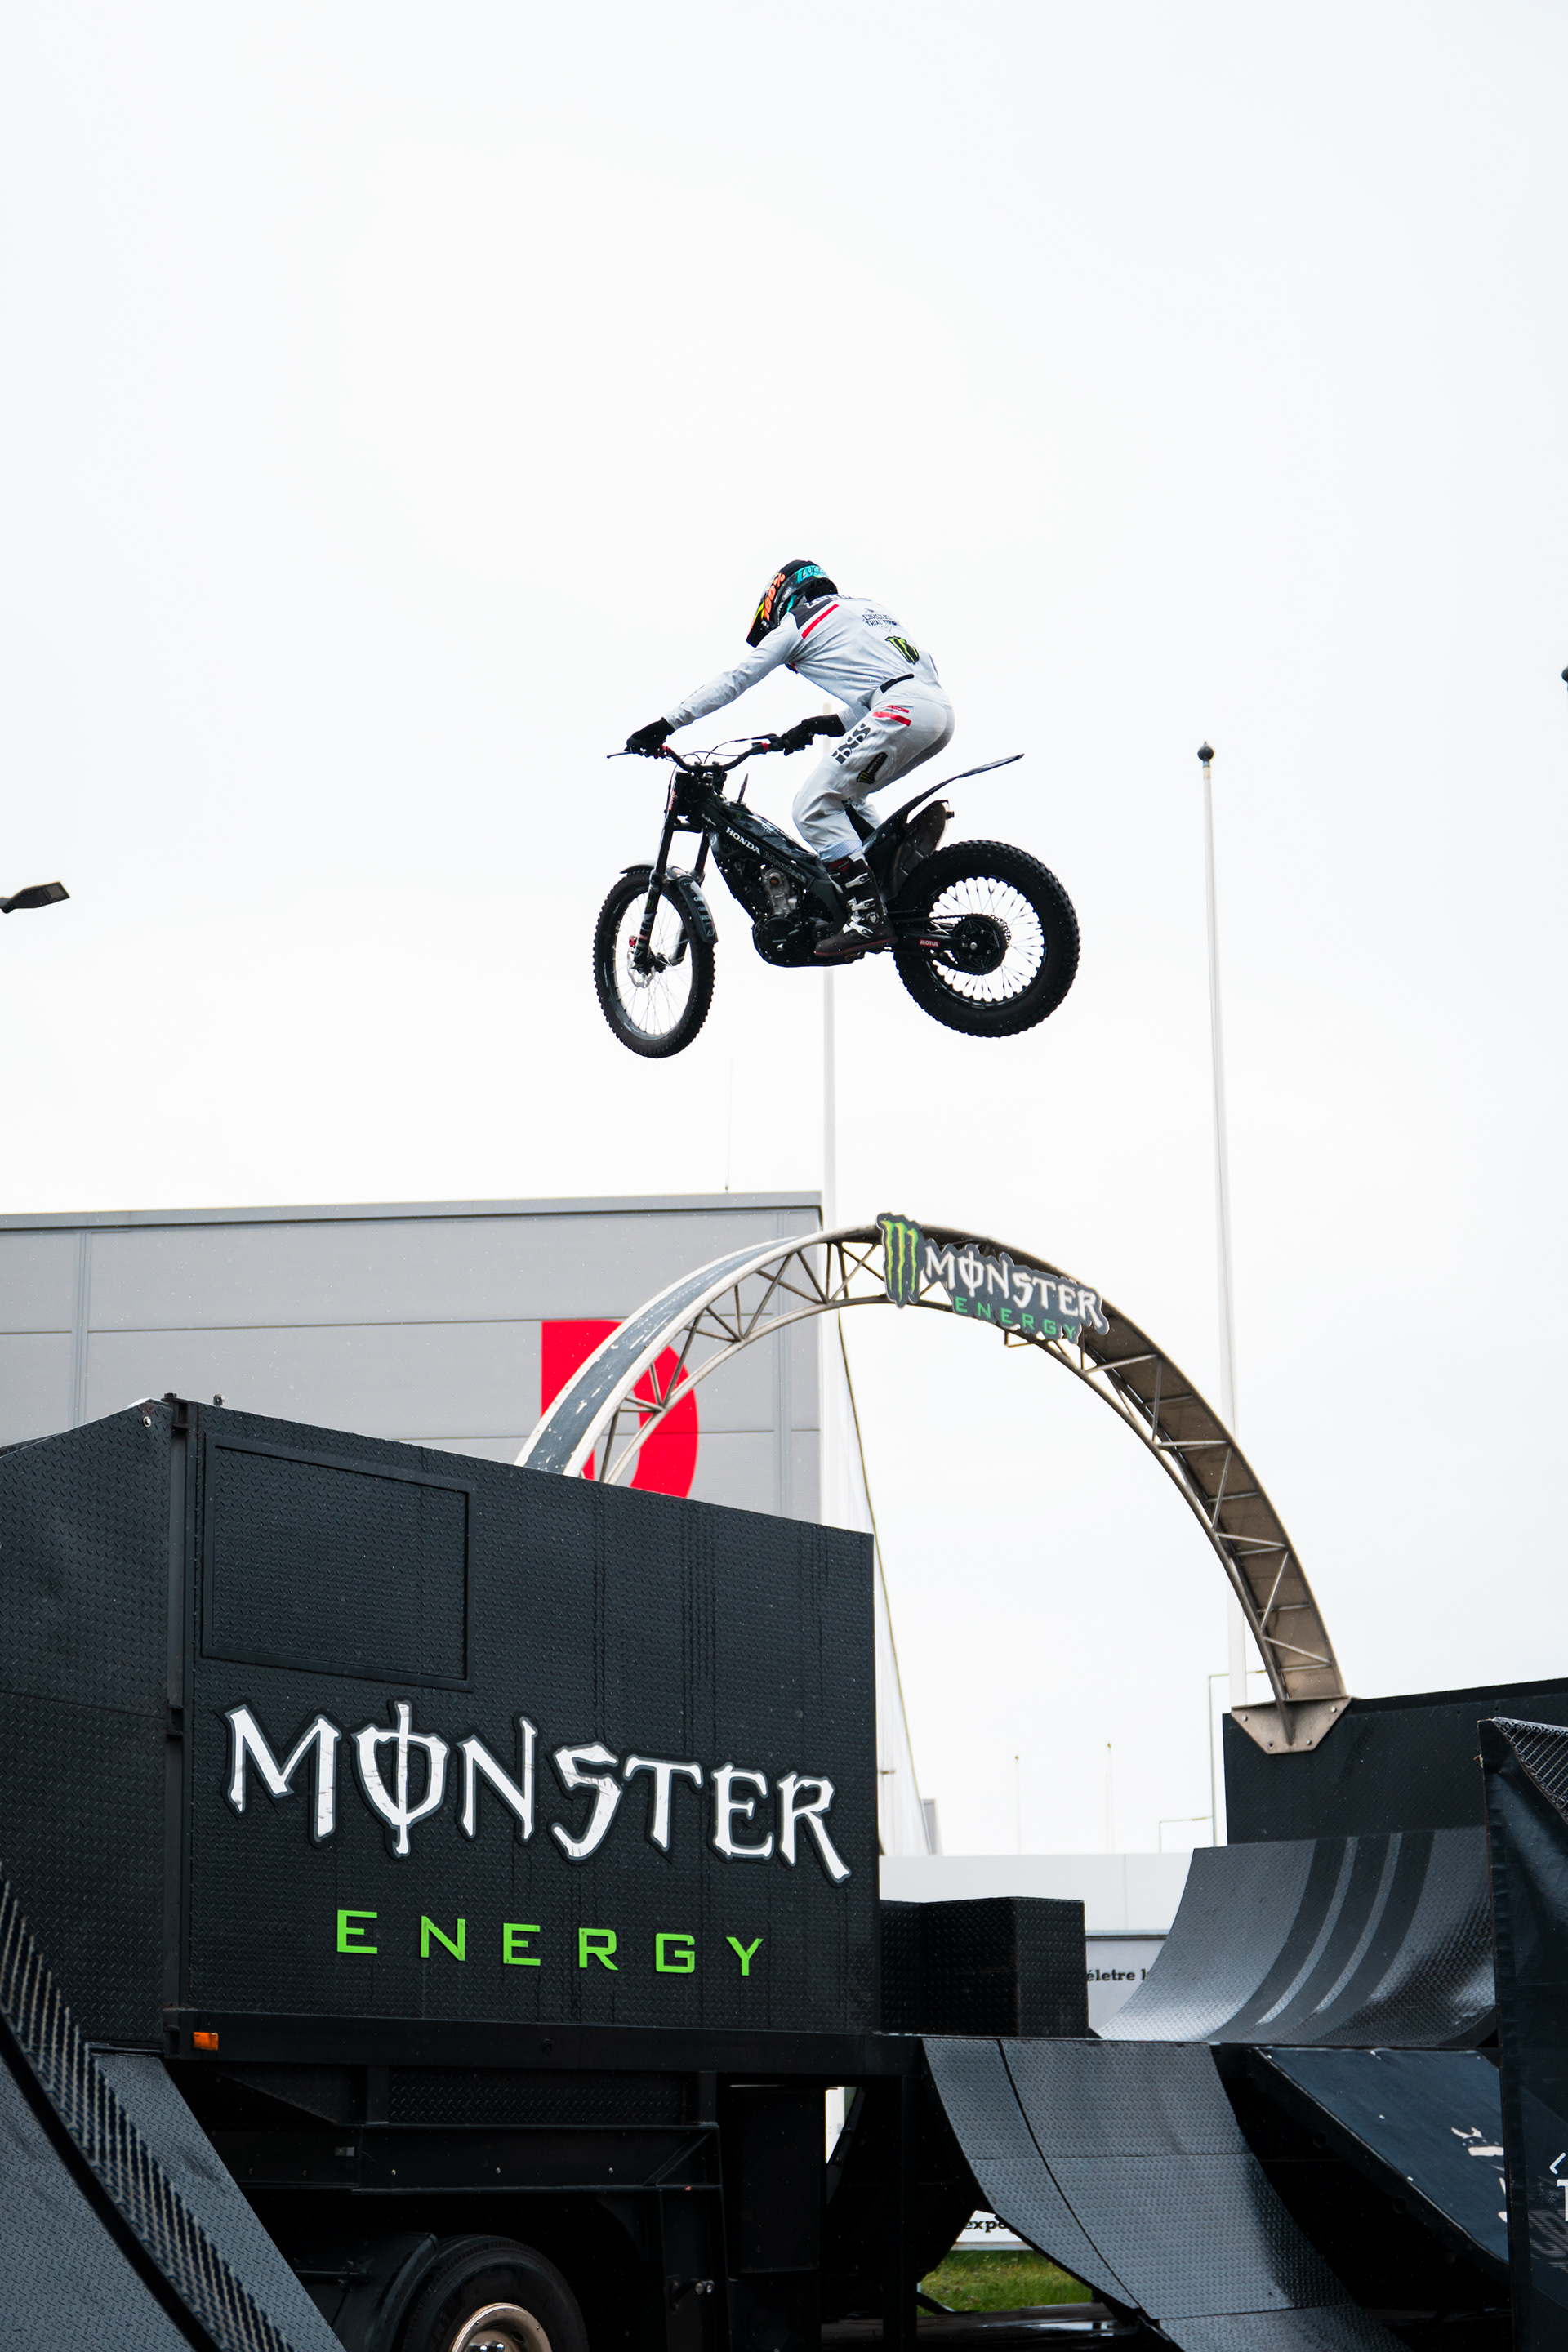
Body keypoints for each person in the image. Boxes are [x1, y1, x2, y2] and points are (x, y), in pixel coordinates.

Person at [624, 561, 955, 958]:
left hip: (901, 711)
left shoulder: (799, 619)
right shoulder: (870, 610)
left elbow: (736, 679)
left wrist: (667, 724)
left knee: (812, 806)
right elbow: (887, 683)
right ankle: (888, 877)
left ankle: (867, 915)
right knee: (848, 797)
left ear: (783, 598)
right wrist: (820, 724)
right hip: (938, 712)